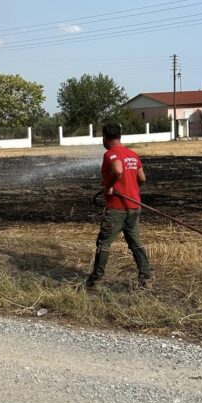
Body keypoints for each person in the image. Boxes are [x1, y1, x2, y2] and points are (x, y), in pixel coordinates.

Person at [86, 123, 152, 288]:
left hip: (116, 208)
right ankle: (146, 279)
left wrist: (109, 187)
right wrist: (132, 190)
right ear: (120, 136)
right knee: (135, 242)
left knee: (104, 242)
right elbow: (142, 178)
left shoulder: (110, 154)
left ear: (105, 138)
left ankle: (95, 281)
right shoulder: (132, 154)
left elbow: (117, 171)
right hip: (134, 206)